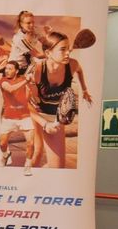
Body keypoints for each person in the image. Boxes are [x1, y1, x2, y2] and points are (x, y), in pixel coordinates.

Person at [30, 30, 93, 169]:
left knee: (58, 167)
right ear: (48, 53)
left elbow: (80, 70)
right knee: (37, 153)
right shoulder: (37, 70)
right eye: (62, 49)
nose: (68, 53)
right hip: (36, 115)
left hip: (55, 115)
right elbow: (26, 106)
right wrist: (45, 124)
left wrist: (85, 90)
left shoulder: (72, 65)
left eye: (68, 48)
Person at [0, 60, 39, 174]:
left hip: (24, 117)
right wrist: (26, 80)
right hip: (8, 117)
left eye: (10, 69)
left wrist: (31, 84)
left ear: (16, 71)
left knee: (30, 143)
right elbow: (11, 89)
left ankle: (28, 166)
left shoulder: (23, 80)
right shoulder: (3, 80)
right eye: (6, 68)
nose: (7, 71)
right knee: (2, 144)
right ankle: (6, 155)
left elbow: (28, 96)